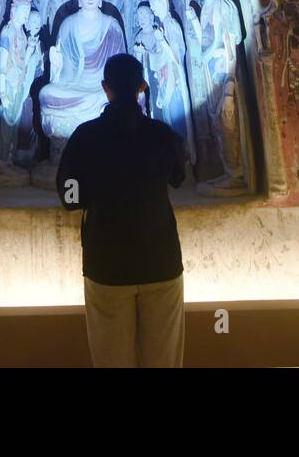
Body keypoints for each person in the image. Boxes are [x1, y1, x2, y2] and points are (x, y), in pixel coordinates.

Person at [57, 53, 187, 367]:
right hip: (161, 259)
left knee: (111, 358)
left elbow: (69, 195)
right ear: (142, 86)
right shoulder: (162, 134)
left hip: (107, 263)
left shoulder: (85, 136)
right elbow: (178, 177)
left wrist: (95, 194)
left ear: (105, 88)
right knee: (164, 359)